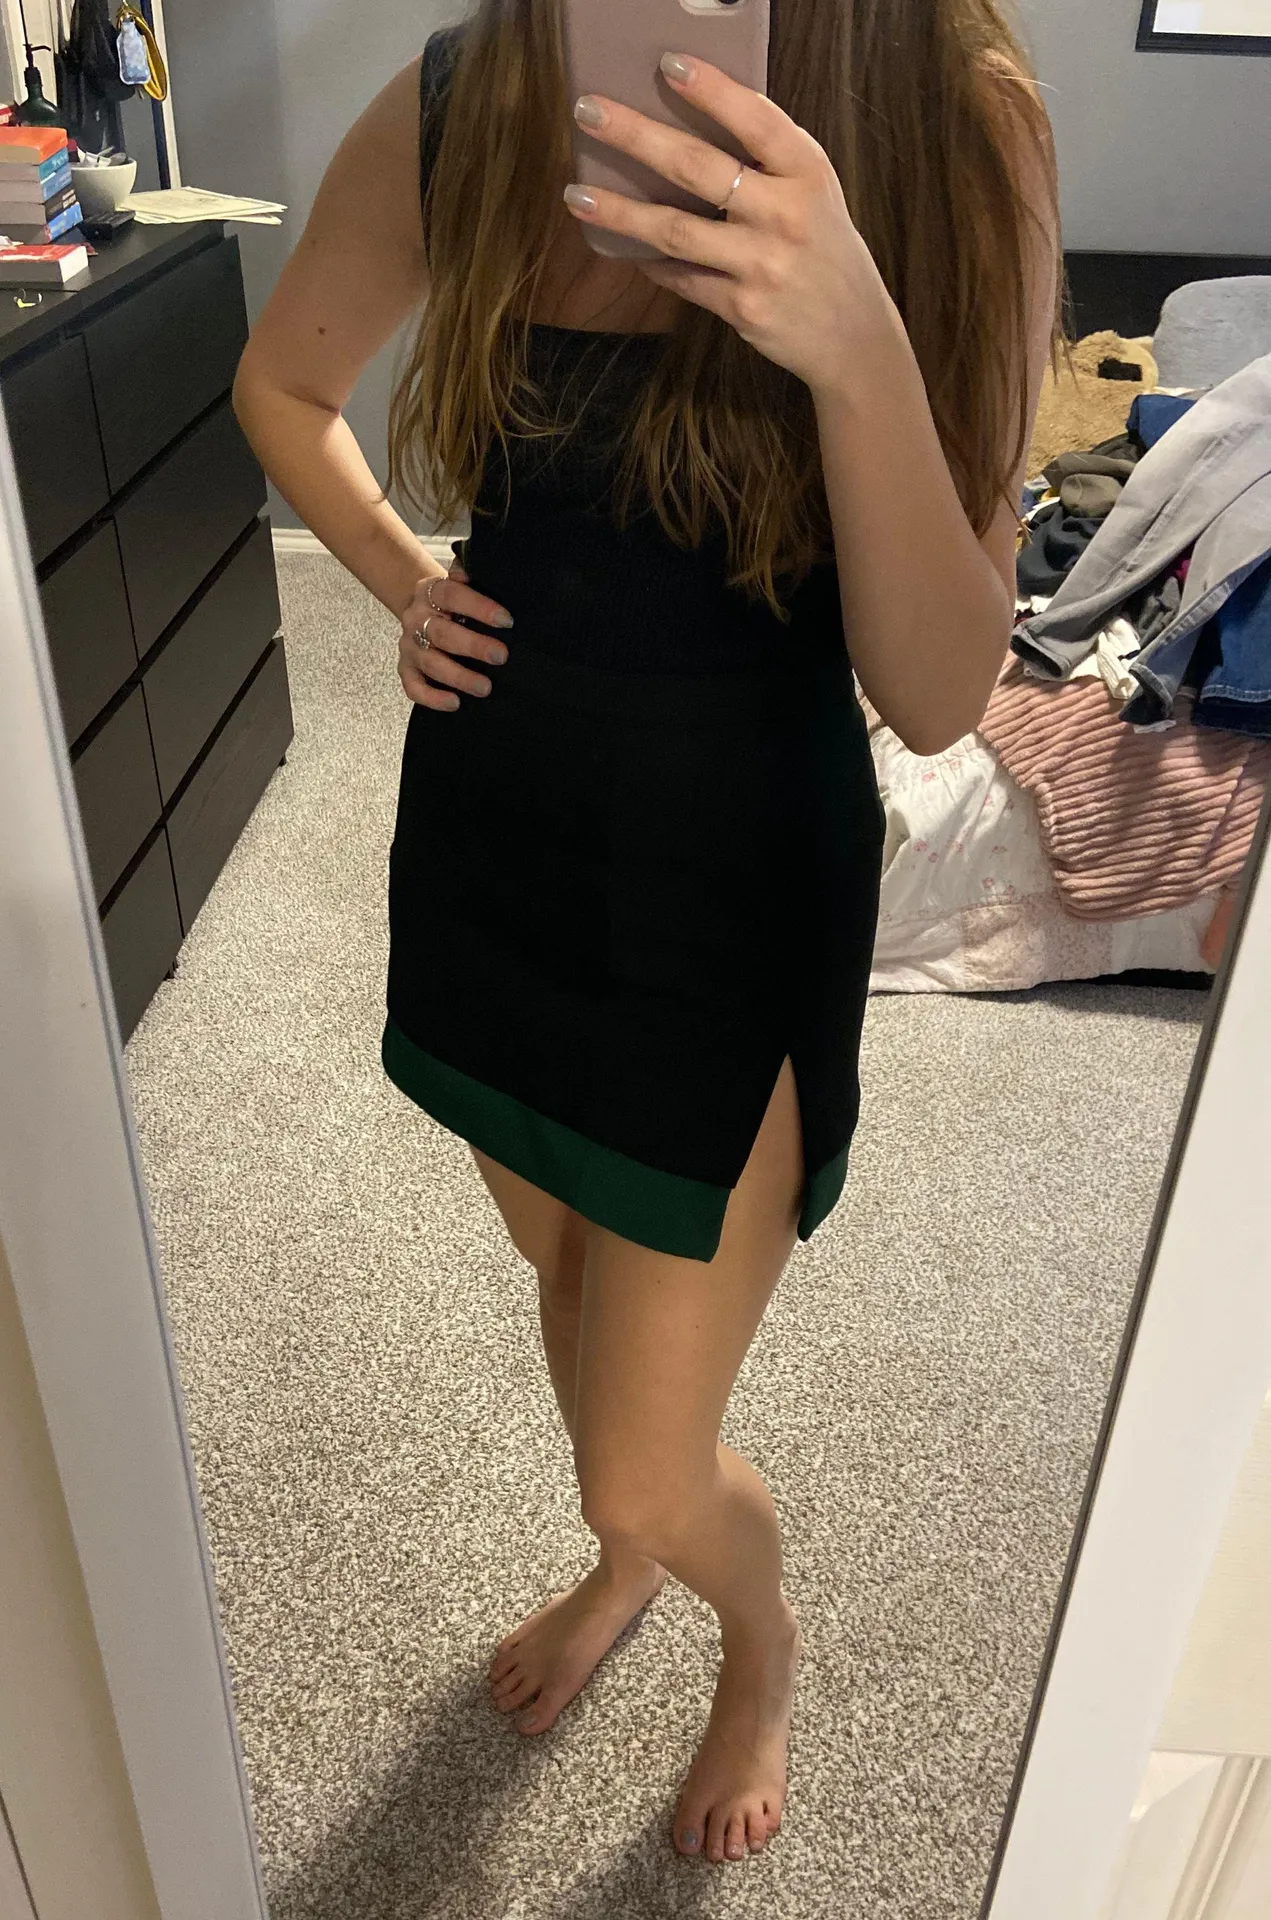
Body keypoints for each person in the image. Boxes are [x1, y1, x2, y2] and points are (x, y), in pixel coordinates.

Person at [233, 0, 1061, 1869]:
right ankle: (628, 1574)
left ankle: (754, 1640)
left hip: (730, 893)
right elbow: (283, 387)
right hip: (496, 843)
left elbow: (939, 693)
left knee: (640, 1462)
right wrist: (403, 577)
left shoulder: (954, 118)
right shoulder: (474, 89)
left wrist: (849, 334)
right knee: (569, 1275)